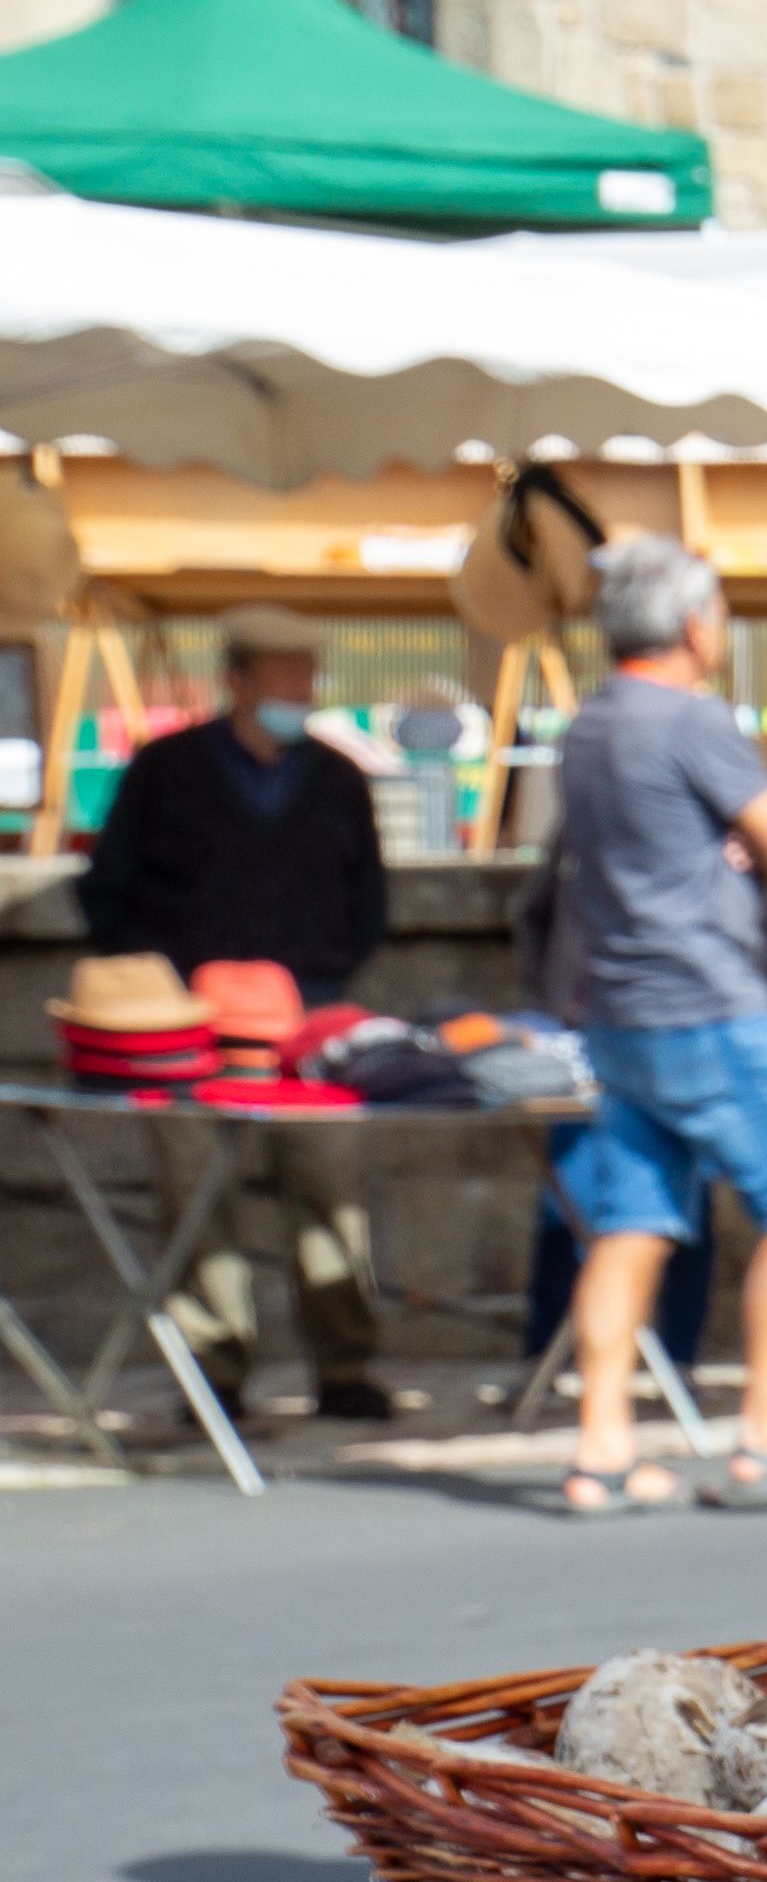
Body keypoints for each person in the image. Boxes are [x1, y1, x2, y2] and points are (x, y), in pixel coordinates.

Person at [536, 535, 767, 1517]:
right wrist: (735, 846)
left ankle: (601, 1447)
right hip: (707, 1004)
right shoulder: (691, 722)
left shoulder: (590, 724)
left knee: (632, 1220)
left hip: (617, 1007)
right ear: (694, 624)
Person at [81, 601, 387, 1417]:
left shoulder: (335, 777)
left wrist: (320, 976)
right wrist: (158, 983)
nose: (301, 689)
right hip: (184, 1024)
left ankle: (344, 1365)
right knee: (193, 1193)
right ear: (239, 681)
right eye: (285, 675)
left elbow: (368, 898)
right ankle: (214, 1371)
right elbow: (109, 887)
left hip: (308, 1017)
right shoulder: (165, 770)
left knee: (328, 1190)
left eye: (307, 675)